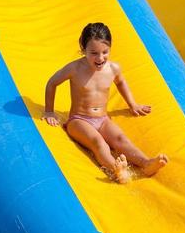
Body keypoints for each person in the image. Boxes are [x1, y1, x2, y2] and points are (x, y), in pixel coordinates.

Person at [42, 22, 169, 184]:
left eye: (104, 52)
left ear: (110, 48)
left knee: (121, 139)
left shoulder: (113, 68)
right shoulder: (75, 68)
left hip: (102, 119)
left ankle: (146, 163)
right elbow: (52, 83)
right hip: (78, 121)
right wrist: (49, 111)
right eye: (94, 53)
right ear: (83, 49)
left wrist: (133, 104)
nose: (100, 58)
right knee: (99, 143)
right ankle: (116, 170)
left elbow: (121, 82)